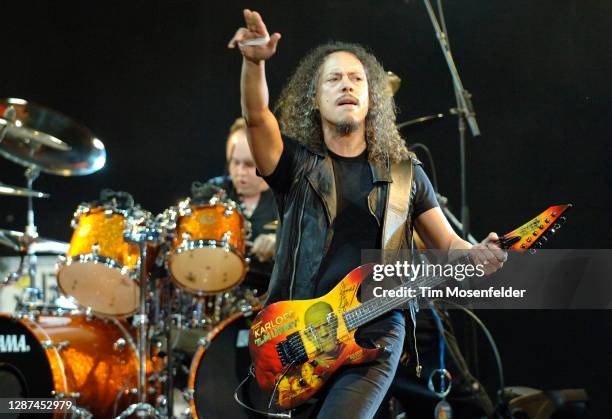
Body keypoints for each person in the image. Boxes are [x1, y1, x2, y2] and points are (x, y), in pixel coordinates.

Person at [228, 9, 506, 418]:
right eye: (334, 79)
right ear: (315, 99)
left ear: (372, 96)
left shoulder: (405, 177)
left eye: (357, 79)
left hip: (374, 332)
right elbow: (256, 117)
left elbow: (449, 247)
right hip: (299, 333)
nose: (347, 86)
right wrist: (254, 64)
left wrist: (481, 254)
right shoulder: (296, 164)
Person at [198, 117, 279, 292]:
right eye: (235, 163)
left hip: (271, 299)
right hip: (220, 292)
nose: (240, 172)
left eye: (249, 164)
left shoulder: (286, 196)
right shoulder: (212, 193)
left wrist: (279, 243)